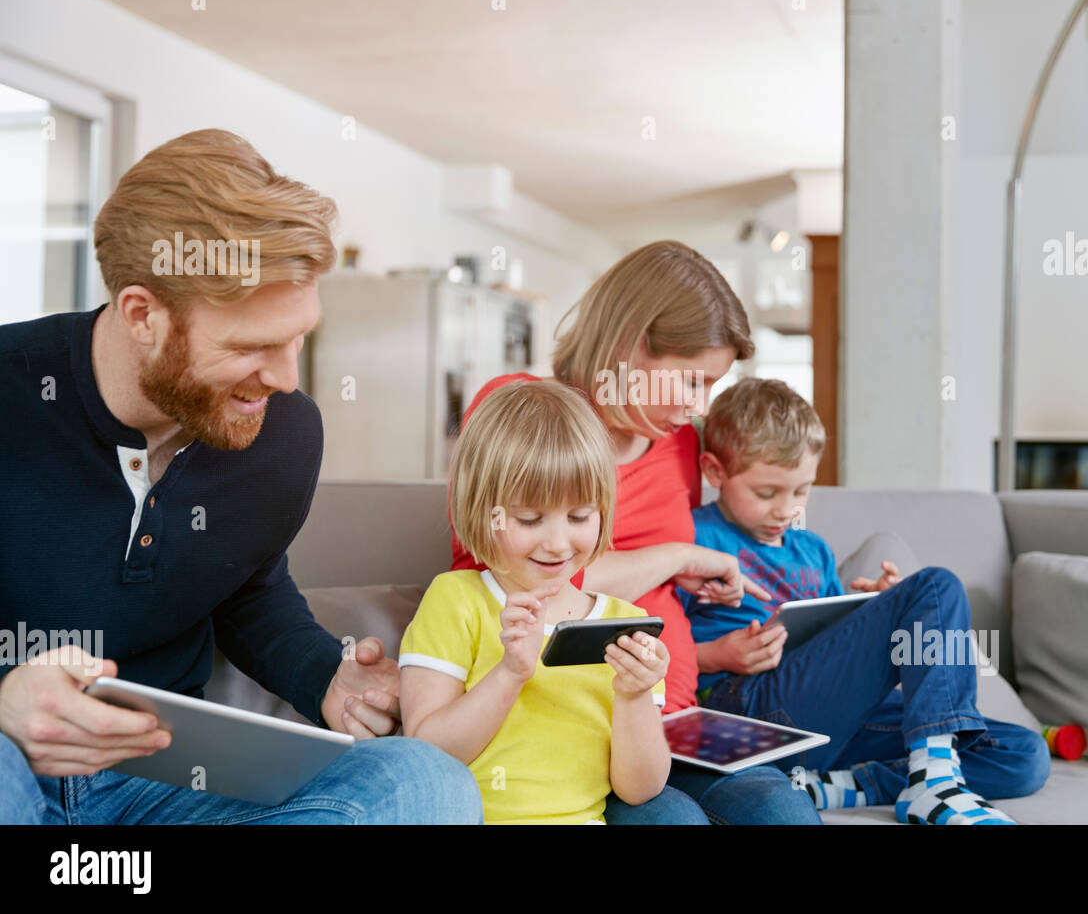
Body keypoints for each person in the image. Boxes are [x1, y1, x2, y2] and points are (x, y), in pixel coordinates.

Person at [0, 129, 480, 824]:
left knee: (425, 784)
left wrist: (328, 678)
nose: (287, 380)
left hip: (163, 779)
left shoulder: (282, 433)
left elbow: (246, 588)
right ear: (143, 316)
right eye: (252, 348)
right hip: (14, 766)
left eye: (299, 339)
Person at [450, 240, 820, 824]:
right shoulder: (522, 410)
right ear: (631, 345)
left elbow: (660, 582)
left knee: (785, 811)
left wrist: (700, 583)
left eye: (712, 386)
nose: (700, 406)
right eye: (692, 380)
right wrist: (677, 557)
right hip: (578, 726)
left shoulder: (680, 445)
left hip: (677, 716)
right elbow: (506, 573)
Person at [681, 378, 1051, 823]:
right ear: (715, 470)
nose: (786, 509)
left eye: (801, 491)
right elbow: (655, 643)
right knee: (935, 585)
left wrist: (879, 611)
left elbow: (834, 642)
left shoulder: (811, 548)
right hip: (748, 708)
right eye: (767, 493)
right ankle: (936, 786)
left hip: (832, 727)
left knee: (1022, 753)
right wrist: (715, 654)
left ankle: (855, 786)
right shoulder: (693, 539)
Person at [400, 380, 671, 823]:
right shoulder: (456, 601)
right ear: (482, 513)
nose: (558, 543)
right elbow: (427, 754)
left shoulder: (627, 624)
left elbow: (639, 790)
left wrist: (633, 696)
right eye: (530, 518)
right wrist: (509, 675)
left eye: (580, 516)